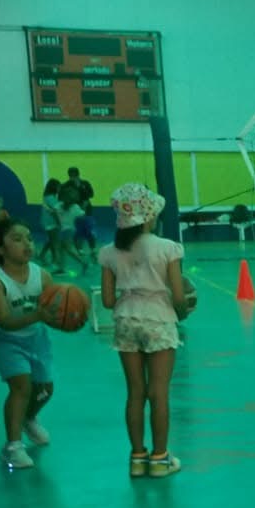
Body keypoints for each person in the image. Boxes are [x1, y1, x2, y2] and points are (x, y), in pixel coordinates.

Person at [99, 183, 188, 478]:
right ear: (149, 217)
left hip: (125, 320)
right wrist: (183, 312)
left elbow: (109, 300)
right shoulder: (167, 248)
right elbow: (178, 296)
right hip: (158, 319)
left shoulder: (110, 252)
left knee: (135, 392)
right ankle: (160, 458)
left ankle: (138, 458)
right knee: (159, 392)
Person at [0, 220, 63, 471]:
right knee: (21, 386)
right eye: (17, 239)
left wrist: (66, 316)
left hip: (35, 337)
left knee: (45, 388)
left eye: (29, 237)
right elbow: (4, 321)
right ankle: (12, 447)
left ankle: (28, 417)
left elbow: (54, 311)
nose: (26, 243)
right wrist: (38, 315)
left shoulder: (42, 275)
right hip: (4, 339)